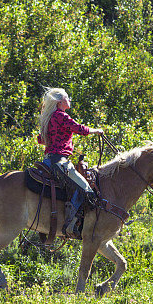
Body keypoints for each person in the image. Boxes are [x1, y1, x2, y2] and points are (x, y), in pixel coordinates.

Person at [37, 88, 103, 238]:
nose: (70, 100)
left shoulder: (50, 117)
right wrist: (97, 131)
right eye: (67, 98)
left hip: (48, 160)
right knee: (86, 189)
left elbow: (41, 140)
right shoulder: (61, 116)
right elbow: (79, 129)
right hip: (60, 162)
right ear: (60, 102)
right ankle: (71, 224)